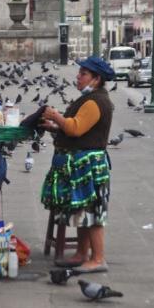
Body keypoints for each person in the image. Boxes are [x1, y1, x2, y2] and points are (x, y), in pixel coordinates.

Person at [39, 56, 115, 272]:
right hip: (79, 164)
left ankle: (98, 259)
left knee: (92, 212)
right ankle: (82, 253)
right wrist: (54, 126)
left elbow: (75, 128)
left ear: (96, 79)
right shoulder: (89, 98)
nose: (78, 77)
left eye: (83, 74)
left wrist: (56, 116)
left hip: (89, 166)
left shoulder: (95, 101)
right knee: (82, 210)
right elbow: (74, 129)